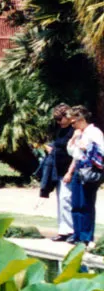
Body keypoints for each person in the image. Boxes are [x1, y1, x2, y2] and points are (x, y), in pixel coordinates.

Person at [63, 105, 104, 245]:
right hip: (79, 168)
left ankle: (86, 236)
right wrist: (74, 139)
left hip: (89, 169)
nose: (72, 125)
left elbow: (101, 151)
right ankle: (77, 233)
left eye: (73, 122)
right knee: (76, 203)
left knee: (86, 203)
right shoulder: (79, 133)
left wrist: (86, 147)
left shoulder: (94, 132)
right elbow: (72, 153)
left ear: (81, 119)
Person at [43, 104, 75, 241]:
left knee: (66, 199)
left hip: (69, 169)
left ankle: (70, 230)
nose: (58, 122)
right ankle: (63, 230)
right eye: (56, 119)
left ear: (67, 117)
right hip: (58, 169)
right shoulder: (60, 130)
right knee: (61, 200)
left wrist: (70, 171)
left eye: (60, 119)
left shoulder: (73, 131)